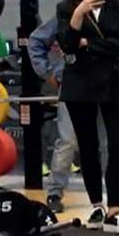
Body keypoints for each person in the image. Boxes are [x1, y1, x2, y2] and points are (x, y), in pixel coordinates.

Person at [56, 0, 119, 234]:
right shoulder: (67, 8)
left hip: (114, 83)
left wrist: (87, 44)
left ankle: (114, 207)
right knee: (87, 146)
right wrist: (78, 14)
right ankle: (96, 205)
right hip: (80, 85)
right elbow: (66, 44)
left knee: (118, 143)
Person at [28, 16, 77, 213]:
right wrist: (48, 73)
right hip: (73, 83)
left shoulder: (114, 12)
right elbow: (35, 40)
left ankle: (112, 196)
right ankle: (55, 193)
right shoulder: (66, 15)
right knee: (68, 140)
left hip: (105, 84)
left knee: (109, 141)